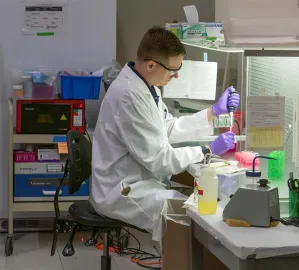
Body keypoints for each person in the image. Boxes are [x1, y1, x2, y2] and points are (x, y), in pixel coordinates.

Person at [90, 26, 240, 240]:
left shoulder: (146, 86)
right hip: (121, 190)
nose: (176, 75)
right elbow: (159, 159)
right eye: (173, 70)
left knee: (195, 208)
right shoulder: (129, 96)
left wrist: (212, 112)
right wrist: (206, 150)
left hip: (138, 180)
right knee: (189, 216)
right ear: (151, 65)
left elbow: (167, 127)